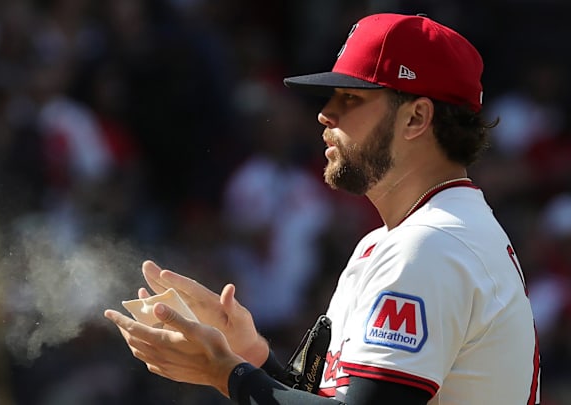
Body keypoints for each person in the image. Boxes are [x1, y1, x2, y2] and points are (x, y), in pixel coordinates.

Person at [104, 13, 541, 405]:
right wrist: (250, 356)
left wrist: (228, 374)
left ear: (415, 118)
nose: (324, 115)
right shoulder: (401, 239)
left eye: (350, 99)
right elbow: (330, 398)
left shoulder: (430, 246)